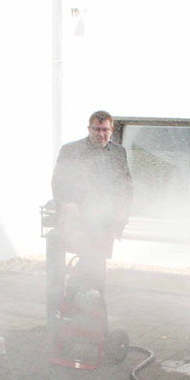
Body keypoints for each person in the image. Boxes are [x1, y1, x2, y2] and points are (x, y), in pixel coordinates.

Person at [50, 111, 133, 295]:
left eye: (105, 130)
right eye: (96, 129)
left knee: (98, 260)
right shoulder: (71, 150)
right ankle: (76, 298)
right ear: (89, 129)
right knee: (91, 257)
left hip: (106, 219)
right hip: (79, 218)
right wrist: (66, 203)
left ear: (111, 130)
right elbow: (59, 181)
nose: (101, 134)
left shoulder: (119, 153)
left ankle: (92, 301)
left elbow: (126, 186)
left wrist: (123, 213)